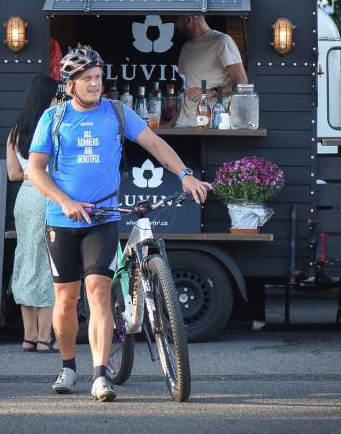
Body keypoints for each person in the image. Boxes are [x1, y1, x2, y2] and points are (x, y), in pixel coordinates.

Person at [27, 44, 211, 401]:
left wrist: (185, 175)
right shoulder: (54, 118)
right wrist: (64, 201)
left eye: (98, 78)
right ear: (71, 85)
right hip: (61, 219)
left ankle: (99, 374)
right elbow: (34, 170)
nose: (96, 84)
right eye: (88, 79)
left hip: (103, 216)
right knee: (65, 300)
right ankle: (67, 365)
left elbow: (155, 145)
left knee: (98, 293)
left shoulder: (117, 112)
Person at [6, 75, 57, 353]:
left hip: (25, 196)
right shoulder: (51, 126)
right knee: (49, 262)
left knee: (26, 259)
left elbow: (13, 173)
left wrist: (29, 175)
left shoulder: (15, 130)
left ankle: (28, 337)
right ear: (47, 98)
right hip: (47, 196)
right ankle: (44, 337)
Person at [172, 14, 248, 127]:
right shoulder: (186, 48)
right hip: (182, 124)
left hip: (213, 124)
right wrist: (170, 124)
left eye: (177, 20)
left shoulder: (222, 41)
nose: (175, 25)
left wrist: (212, 92)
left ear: (189, 19)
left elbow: (242, 81)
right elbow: (186, 94)